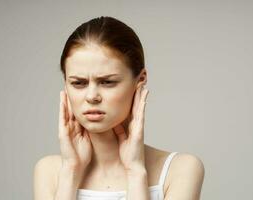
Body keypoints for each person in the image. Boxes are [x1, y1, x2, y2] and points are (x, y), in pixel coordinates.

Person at [33, 16, 205, 200]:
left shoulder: (180, 169)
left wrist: (135, 171)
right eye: (78, 83)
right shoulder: (49, 172)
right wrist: (71, 171)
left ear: (140, 80)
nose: (91, 96)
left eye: (107, 82)